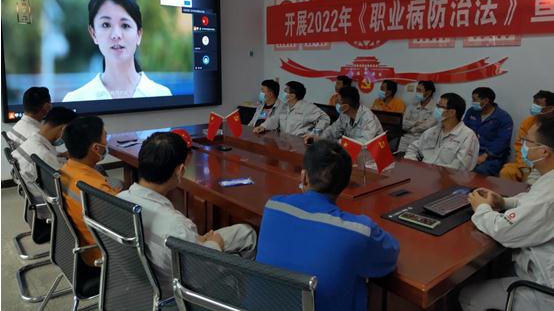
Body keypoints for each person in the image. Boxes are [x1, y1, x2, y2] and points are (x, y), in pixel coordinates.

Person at [256, 140, 399, 311]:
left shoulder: (273, 207)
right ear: (345, 183)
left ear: (304, 177)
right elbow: (390, 255)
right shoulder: (358, 231)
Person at [118, 132, 257, 299]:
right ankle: (247, 295)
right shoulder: (177, 225)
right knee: (248, 235)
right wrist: (214, 244)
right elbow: (201, 275)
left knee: (244, 232)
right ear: (180, 171)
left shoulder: (120, 200)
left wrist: (195, 241)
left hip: (141, 283)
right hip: (178, 290)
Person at [459, 114, 554, 311]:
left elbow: (503, 230)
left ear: (544, 151)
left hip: (544, 292)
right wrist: (503, 202)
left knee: (468, 296)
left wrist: (482, 208)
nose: (522, 145)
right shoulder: (548, 180)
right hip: (537, 267)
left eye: (527, 141)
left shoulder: (550, 192)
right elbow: (533, 203)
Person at [63, 0, 171, 102]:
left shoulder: (162, 95)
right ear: (93, 34)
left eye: (125, 25)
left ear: (139, 34)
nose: (116, 35)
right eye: (106, 25)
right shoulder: (75, 99)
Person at [59, 116, 121, 266]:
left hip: (84, 246)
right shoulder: (97, 190)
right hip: (105, 255)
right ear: (96, 148)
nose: (107, 142)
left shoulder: (65, 170)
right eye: (105, 136)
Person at [12, 107, 77, 218]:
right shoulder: (44, 154)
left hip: (36, 198)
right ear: (64, 129)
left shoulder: (32, 141)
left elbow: (51, 160)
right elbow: (68, 187)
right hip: (52, 207)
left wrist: (61, 156)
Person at [405, 93, 479, 172]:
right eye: (437, 106)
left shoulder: (467, 136)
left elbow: (460, 167)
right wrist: (415, 164)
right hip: (422, 172)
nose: (436, 109)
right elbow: (413, 148)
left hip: (446, 177)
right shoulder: (432, 131)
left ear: (452, 112)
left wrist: (434, 173)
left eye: (440, 107)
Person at [500, 90, 554, 182]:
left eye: (538, 104)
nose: (534, 107)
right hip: (528, 162)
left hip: (548, 163)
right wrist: (524, 166)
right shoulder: (528, 122)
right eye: (534, 103)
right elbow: (519, 146)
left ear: (550, 108)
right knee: (507, 171)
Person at [463, 87, 513, 176]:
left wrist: (485, 155)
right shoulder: (471, 112)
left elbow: (502, 142)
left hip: (492, 157)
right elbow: (463, 130)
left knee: (479, 171)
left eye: (475, 100)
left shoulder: (503, 118)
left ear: (486, 101)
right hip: (470, 150)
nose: (472, 102)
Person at [305, 86, 383, 144]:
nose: (336, 104)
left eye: (338, 102)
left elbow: (362, 144)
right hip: (350, 151)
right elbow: (332, 131)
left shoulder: (368, 118)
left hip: (370, 156)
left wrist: (337, 142)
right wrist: (318, 137)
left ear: (346, 106)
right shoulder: (345, 114)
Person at [253, 81, 330, 137]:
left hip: (300, 143)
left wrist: (314, 134)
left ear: (292, 96)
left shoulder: (308, 107)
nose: (283, 93)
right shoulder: (284, 106)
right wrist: (263, 126)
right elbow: (274, 119)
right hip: (285, 141)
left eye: (285, 91)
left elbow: (325, 119)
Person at [398, 81, 437, 153]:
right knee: (397, 154)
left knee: (411, 158)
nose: (416, 93)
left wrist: (411, 129)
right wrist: (414, 123)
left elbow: (427, 126)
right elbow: (402, 123)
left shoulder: (435, 108)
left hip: (421, 139)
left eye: (419, 90)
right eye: (416, 90)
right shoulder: (412, 104)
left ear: (429, 92)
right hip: (406, 137)